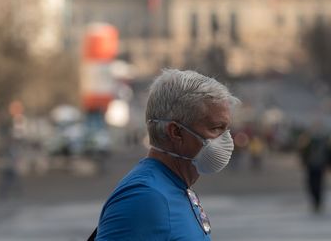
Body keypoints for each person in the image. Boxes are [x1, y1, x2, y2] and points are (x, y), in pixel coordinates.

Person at [92, 69, 239, 240]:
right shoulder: (146, 198)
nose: (227, 139)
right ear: (176, 132)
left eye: (226, 128)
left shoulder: (173, 186)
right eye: (215, 128)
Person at [298, 123, 330, 213]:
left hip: (318, 166)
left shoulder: (322, 143)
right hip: (312, 166)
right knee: (313, 184)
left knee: (317, 184)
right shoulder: (308, 142)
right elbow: (303, 152)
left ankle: (317, 200)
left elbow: (328, 154)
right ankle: (316, 200)